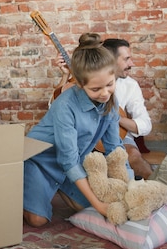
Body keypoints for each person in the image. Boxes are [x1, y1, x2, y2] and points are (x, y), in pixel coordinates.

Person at [23, 42, 127, 227]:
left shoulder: (111, 101)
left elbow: (114, 149)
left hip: (71, 162)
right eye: (96, 89)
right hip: (41, 161)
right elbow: (68, 160)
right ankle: (24, 187)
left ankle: (60, 186)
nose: (105, 93)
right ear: (79, 84)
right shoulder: (65, 106)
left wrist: (130, 185)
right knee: (37, 221)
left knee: (88, 208)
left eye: (110, 85)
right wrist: (100, 206)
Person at [55, 34, 153, 179]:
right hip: (84, 138)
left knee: (131, 154)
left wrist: (112, 116)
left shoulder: (130, 85)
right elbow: (55, 107)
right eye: (126, 59)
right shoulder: (81, 83)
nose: (131, 63)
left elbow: (145, 125)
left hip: (116, 136)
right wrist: (65, 76)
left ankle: (158, 185)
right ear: (110, 61)